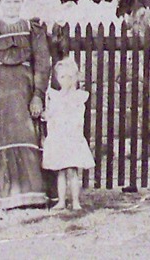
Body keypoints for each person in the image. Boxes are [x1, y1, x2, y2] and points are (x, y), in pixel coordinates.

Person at [0, 0, 51, 210]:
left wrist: (38, 94)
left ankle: (29, 195)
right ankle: (0, 195)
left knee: (25, 134)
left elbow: (42, 63)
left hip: (24, 90)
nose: (12, 5)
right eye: (7, 1)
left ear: (22, 2)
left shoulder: (32, 29)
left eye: (16, 1)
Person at [41, 57, 95, 210]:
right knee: (61, 172)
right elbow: (51, 115)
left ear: (75, 78)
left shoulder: (77, 97)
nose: (66, 81)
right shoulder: (55, 97)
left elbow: (77, 117)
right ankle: (61, 201)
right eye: (62, 77)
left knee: (72, 171)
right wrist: (46, 115)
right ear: (58, 79)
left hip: (71, 137)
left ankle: (76, 201)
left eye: (70, 77)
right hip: (59, 138)